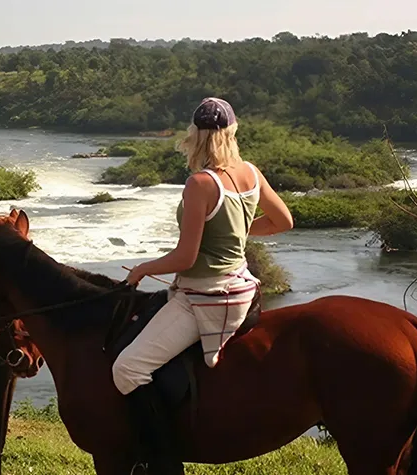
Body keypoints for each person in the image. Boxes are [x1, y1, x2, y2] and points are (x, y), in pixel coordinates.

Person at [111, 97, 293, 473]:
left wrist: (142, 268)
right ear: (231, 132)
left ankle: (159, 463)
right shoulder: (250, 174)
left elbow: (186, 259)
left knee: (127, 369)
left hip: (205, 296)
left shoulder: (200, 183)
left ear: (194, 136)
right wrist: (240, 235)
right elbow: (283, 221)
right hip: (243, 287)